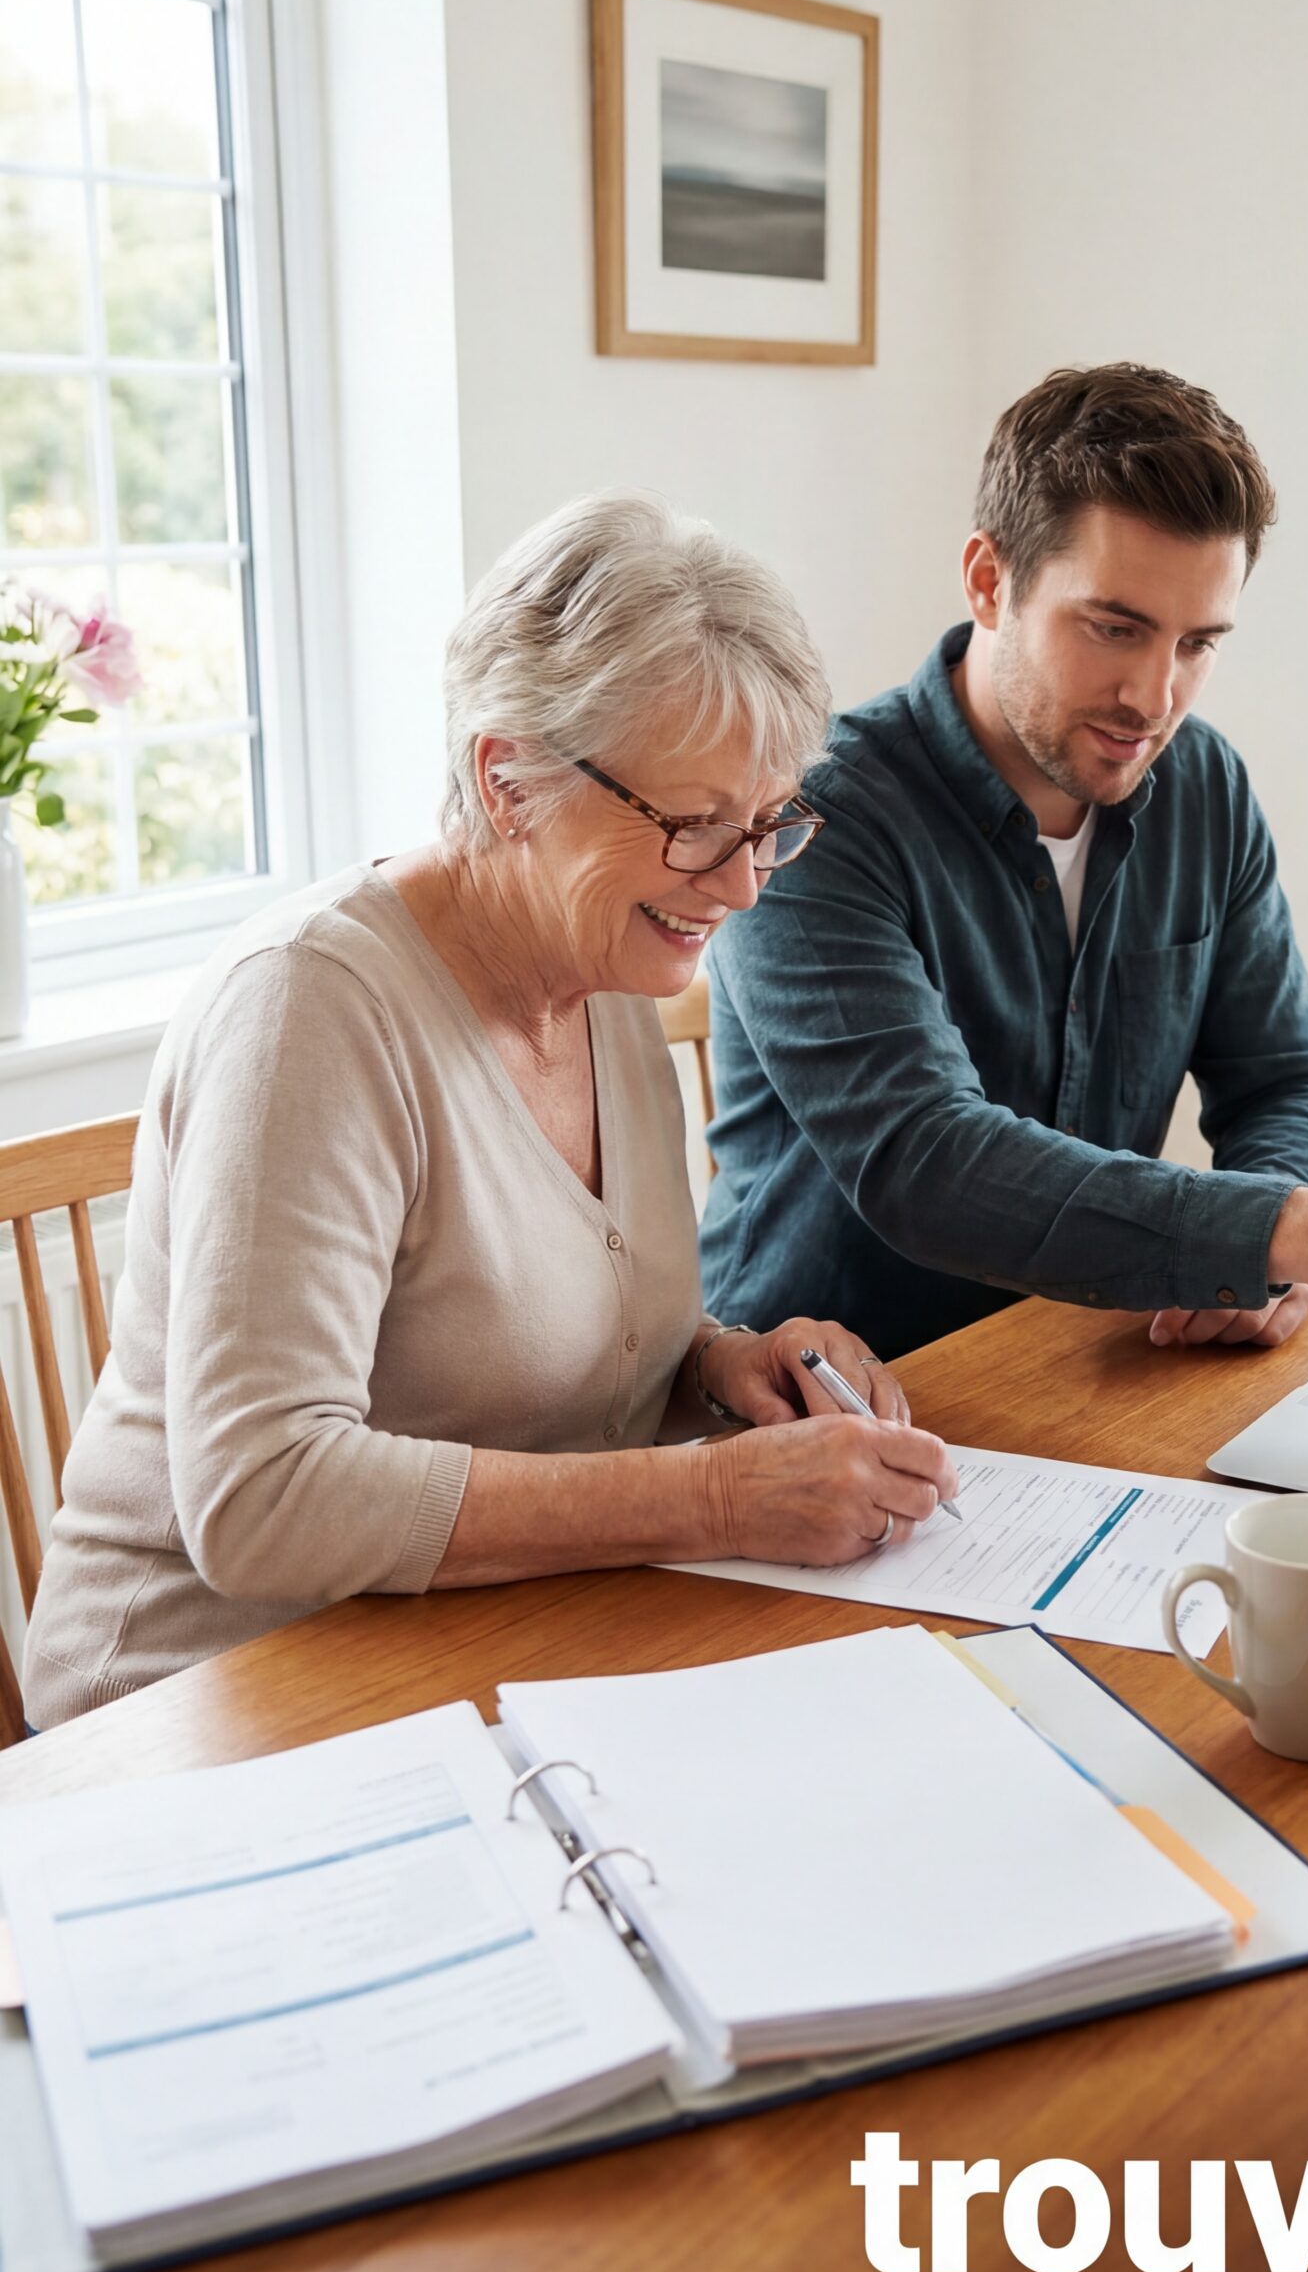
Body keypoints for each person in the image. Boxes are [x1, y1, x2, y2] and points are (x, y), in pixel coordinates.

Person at [24, 496, 957, 1729]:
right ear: (507, 781)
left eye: (763, 825)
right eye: (694, 827)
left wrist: (722, 1367)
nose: (740, 885)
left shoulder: (607, 966)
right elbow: (262, 1495)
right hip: (196, 1704)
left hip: (470, 1645)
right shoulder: (309, 1008)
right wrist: (715, 1498)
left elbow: (522, 1340)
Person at [701, 364, 1308, 1362]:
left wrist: (1263, 1258)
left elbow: (1287, 1083)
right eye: (1115, 629)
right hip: (838, 1393)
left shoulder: (1201, 786)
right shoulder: (809, 812)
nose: (1154, 698)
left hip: (1093, 1363)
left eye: (1197, 643)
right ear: (988, 580)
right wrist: (1296, 1233)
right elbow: (926, 1161)